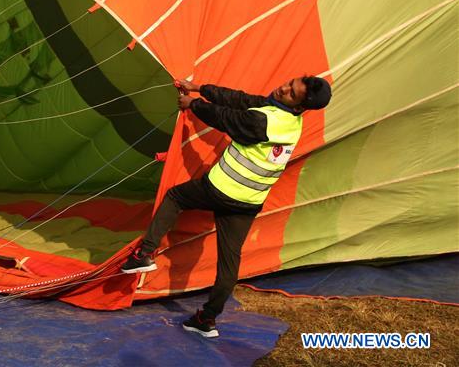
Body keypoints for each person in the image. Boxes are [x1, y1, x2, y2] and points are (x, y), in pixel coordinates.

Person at [121, 76, 332, 338]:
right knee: (229, 264)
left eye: (291, 93)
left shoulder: (264, 121)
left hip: (221, 189)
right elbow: (240, 99)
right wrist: (199, 88)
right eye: (290, 83)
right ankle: (207, 320)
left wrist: (192, 104)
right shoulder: (288, 118)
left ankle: (144, 254)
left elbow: (225, 117)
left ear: (299, 106)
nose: (283, 88)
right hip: (249, 202)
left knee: (175, 197)